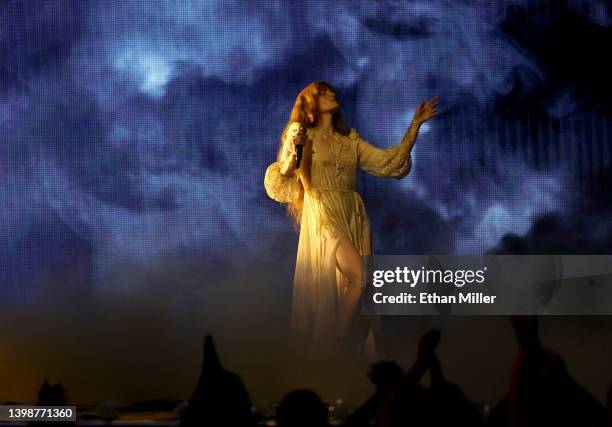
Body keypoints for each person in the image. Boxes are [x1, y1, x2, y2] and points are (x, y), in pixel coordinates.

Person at [264, 81, 438, 355]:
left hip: (351, 213)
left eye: (331, 91)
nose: (331, 94)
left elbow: (387, 163)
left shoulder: (350, 141)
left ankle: (341, 349)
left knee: (355, 283)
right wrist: (294, 150)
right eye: (323, 93)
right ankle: (334, 345)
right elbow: (284, 173)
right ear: (310, 103)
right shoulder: (301, 133)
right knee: (358, 275)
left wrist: (414, 126)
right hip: (322, 210)